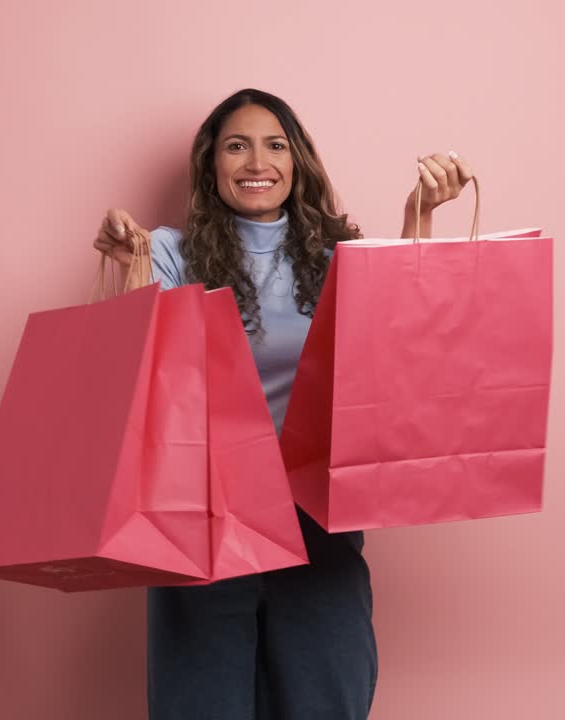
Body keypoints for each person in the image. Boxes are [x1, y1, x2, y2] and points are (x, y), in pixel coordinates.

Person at [92, 88, 473, 720]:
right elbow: (133, 374)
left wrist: (420, 217)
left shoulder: (335, 260)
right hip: (203, 511)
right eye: (236, 146)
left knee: (326, 692)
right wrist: (127, 262)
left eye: (274, 145)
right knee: (201, 698)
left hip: (316, 509)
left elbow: (399, 354)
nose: (255, 161)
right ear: (211, 167)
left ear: (297, 162)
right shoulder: (169, 251)